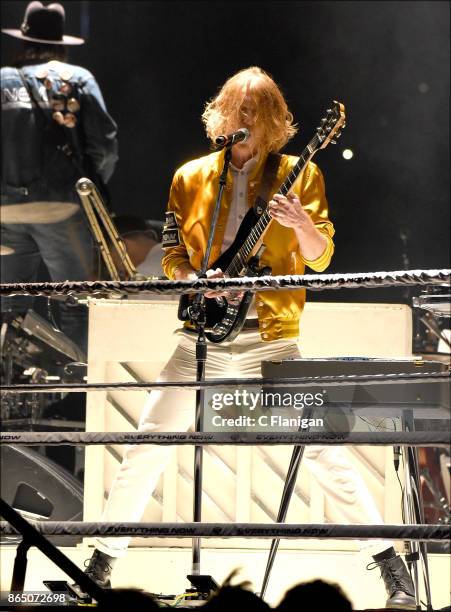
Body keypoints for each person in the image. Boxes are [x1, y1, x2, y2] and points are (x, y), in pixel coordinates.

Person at [77, 67, 415, 610]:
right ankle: (101, 559)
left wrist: (301, 221)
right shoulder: (190, 177)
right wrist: (196, 282)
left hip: (272, 342)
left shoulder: (300, 175)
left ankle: (390, 564)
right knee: (148, 443)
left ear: (276, 122)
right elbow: (170, 258)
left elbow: (320, 257)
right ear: (223, 116)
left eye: (258, 114)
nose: (247, 122)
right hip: (200, 341)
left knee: (326, 453)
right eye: (239, 111)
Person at [1, 1, 118, 353]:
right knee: (75, 302)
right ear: (61, 43)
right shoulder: (78, 80)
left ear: (23, 39)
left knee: (7, 307)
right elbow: (105, 148)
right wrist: (89, 192)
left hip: (5, 211)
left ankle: (8, 392)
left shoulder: (2, 80)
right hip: (61, 209)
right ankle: (80, 394)